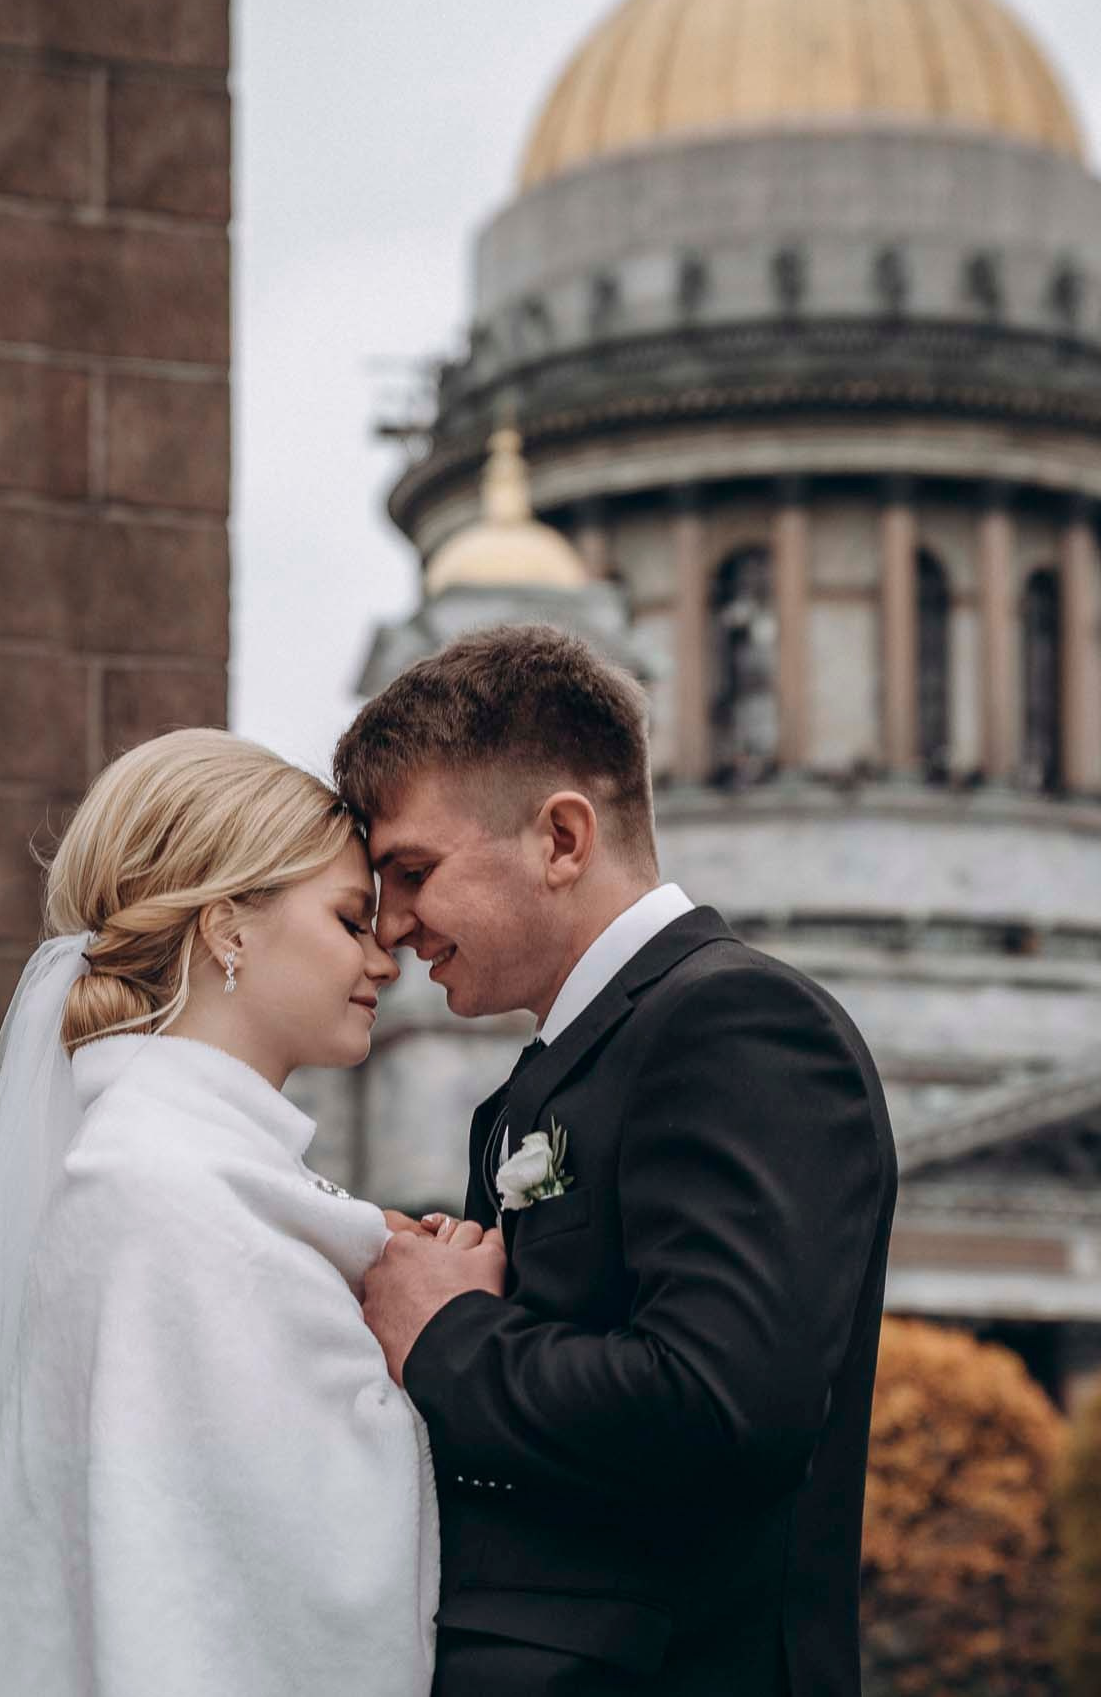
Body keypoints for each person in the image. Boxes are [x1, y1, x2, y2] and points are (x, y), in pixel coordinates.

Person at [341, 625, 899, 1697]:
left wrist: (448, 1332)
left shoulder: (739, 1023)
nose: (393, 925)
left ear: (561, 837)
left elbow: (720, 1402)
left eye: (411, 871)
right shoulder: (536, 1083)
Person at [0, 729, 462, 1697]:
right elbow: (276, 1561)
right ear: (226, 927)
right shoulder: (156, 1186)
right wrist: (442, 1331)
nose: (385, 958)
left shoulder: (201, 1173)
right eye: (351, 920)